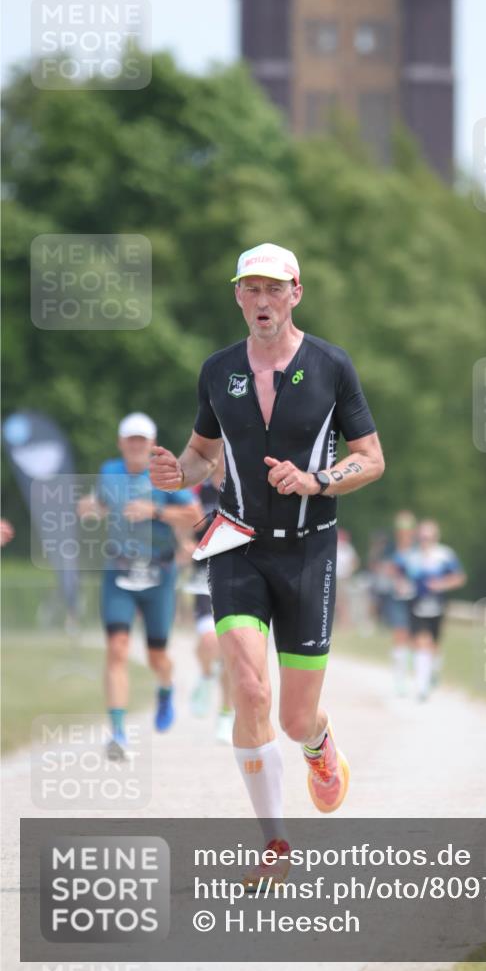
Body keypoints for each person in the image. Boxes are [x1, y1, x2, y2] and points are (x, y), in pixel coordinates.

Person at [150, 242, 384, 887]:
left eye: (273, 289)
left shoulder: (332, 365)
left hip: (309, 550)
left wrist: (317, 480)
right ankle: (275, 843)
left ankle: (318, 744)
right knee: (249, 690)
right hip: (235, 539)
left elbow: (371, 457)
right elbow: (201, 454)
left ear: (295, 294)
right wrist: (180, 473)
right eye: (250, 289)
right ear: (238, 297)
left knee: (293, 716)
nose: (262, 300)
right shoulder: (217, 370)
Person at [78, 413, 200, 758]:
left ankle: (165, 688)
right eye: (130, 439)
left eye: (141, 440)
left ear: (152, 444)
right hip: (118, 571)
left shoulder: (165, 473)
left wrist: (155, 512)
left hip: (158, 575)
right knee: (117, 647)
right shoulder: (109, 472)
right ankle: (117, 732)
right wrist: (89, 508)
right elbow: (100, 505)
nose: (135, 445)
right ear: (121, 443)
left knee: (156, 655)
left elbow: (194, 515)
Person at [186, 453, 235, 743]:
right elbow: (184, 525)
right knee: (208, 642)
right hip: (202, 576)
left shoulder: (242, 488)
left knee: (231, 649)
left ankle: (226, 714)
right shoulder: (198, 490)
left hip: (235, 576)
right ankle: (206, 676)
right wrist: (183, 541)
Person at [397, 519, 466, 701]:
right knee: (422, 642)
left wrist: (441, 585)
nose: (425, 540)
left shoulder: (445, 555)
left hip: (437, 605)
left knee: (434, 645)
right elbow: (400, 576)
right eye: (422, 536)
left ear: (436, 537)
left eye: (429, 537)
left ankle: (433, 671)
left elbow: (459, 578)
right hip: (416, 605)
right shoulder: (411, 556)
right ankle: (422, 687)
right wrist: (402, 586)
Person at [386, 510, 418, 695]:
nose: (404, 532)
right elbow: (386, 569)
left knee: (416, 637)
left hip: (416, 598)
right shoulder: (392, 549)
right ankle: (400, 680)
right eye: (401, 528)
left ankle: (416, 676)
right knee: (400, 635)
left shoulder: (418, 548)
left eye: (407, 528)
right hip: (398, 597)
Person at [334, 528, 359, 628]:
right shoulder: (339, 547)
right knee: (340, 600)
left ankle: (344, 621)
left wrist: (349, 571)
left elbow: (355, 562)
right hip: (337, 577)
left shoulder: (347, 548)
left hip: (343, 577)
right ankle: (342, 620)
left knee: (343, 600)